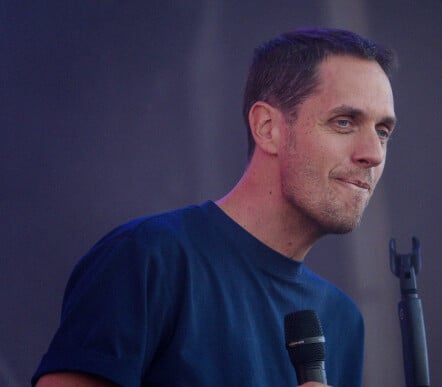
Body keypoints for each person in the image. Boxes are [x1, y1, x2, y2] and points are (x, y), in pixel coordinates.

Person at [32, 27, 397, 387]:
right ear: (267, 127)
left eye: (382, 131)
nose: (373, 153)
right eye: (344, 122)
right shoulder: (148, 258)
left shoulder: (343, 320)